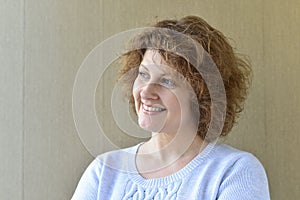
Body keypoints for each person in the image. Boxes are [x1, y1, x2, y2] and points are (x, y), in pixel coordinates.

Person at [72, 16, 270, 200]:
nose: (146, 91)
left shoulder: (235, 171)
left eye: (167, 81)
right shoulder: (104, 171)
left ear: (201, 96)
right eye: (143, 74)